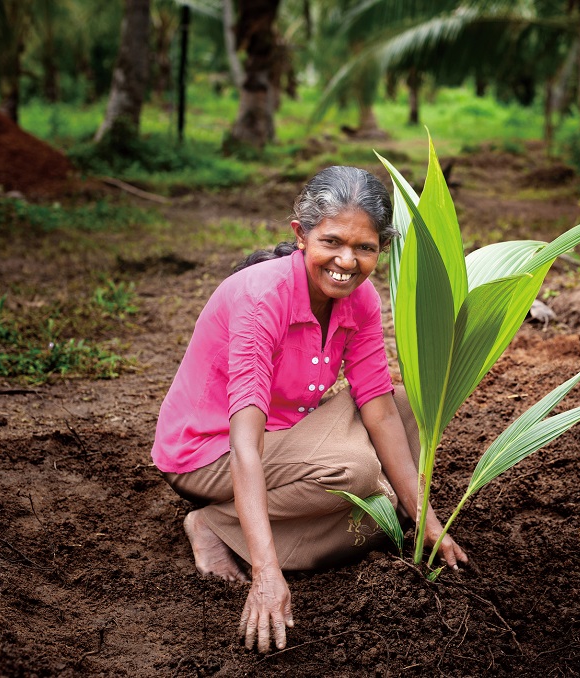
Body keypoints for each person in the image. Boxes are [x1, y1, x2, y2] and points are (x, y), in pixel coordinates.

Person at [151, 166, 468, 655]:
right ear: (300, 235)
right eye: (333, 242)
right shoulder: (263, 300)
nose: (347, 260)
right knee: (358, 473)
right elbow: (244, 443)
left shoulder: (360, 300)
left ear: (381, 249)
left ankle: (377, 510)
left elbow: (379, 409)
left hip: (285, 433)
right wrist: (266, 573)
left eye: (365, 248)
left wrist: (425, 517)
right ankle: (215, 525)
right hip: (209, 453)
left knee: (406, 409)